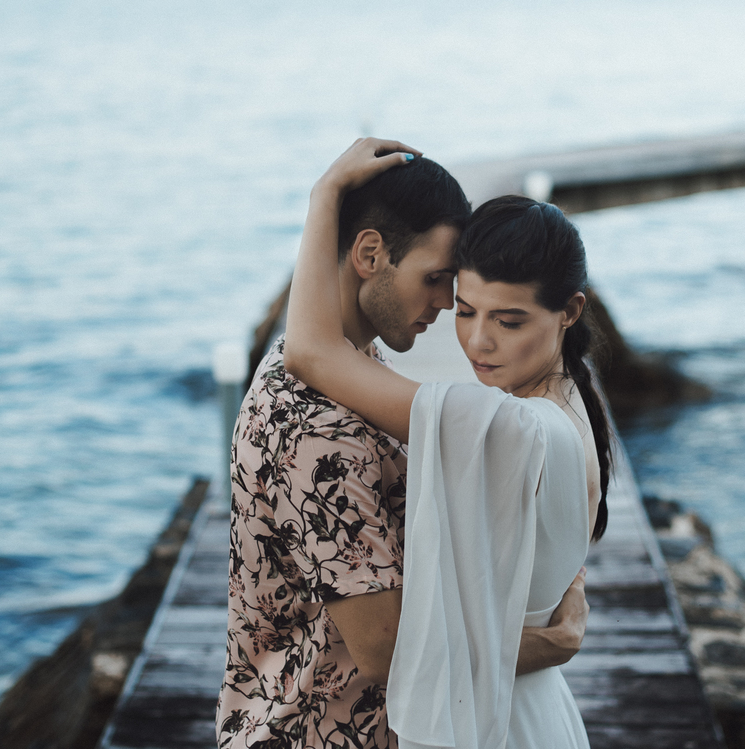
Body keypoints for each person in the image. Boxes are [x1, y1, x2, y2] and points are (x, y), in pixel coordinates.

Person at [218, 145, 590, 749]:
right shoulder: (316, 426)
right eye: (437, 280)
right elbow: (385, 648)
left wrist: (325, 198)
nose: (448, 309)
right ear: (370, 254)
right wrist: (546, 643)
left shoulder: (359, 366)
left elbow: (314, 347)